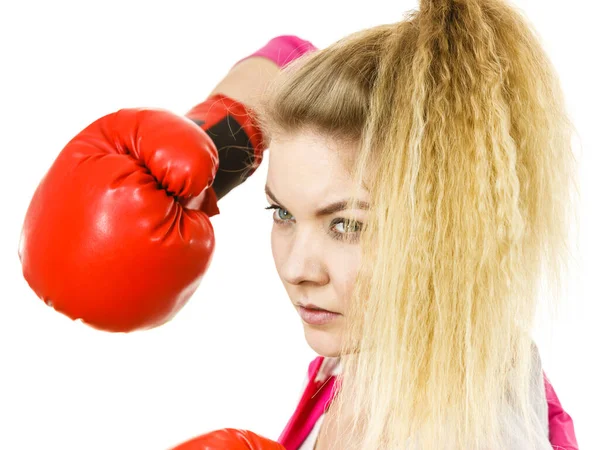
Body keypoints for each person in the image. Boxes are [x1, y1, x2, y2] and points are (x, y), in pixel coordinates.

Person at [19, 0, 580, 448]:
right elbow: (286, 59)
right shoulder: (386, 354)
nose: (295, 268)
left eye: (346, 226)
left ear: (450, 224)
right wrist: (209, 142)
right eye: (282, 213)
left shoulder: (475, 426)